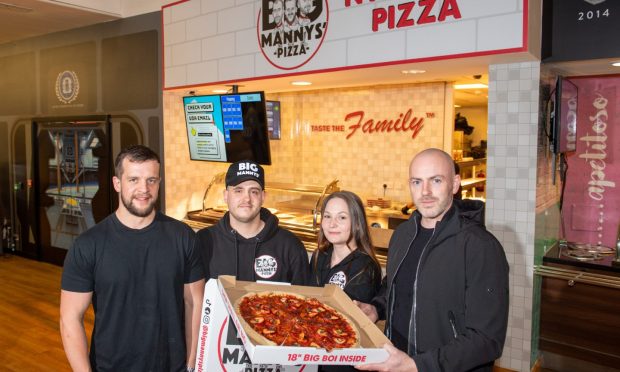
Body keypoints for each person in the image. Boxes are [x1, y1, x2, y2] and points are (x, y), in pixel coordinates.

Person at [356, 148, 509, 372]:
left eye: (436, 180)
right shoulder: (403, 234)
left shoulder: (480, 247)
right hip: (396, 362)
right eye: (417, 182)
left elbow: (487, 340)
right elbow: (398, 284)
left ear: (455, 184)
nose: (425, 192)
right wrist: (377, 308)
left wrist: (417, 365)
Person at [60, 145, 205, 372]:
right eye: (134, 180)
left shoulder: (183, 237)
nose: (143, 189)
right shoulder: (88, 245)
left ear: (158, 183)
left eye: (151, 180)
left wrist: (192, 363)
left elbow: (194, 303)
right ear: (117, 183)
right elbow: (70, 318)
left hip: (171, 366)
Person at [197, 160, 310, 284]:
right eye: (238, 190)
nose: (247, 198)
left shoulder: (290, 245)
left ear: (263, 197)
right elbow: (193, 297)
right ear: (226, 195)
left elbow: (304, 298)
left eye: (254, 192)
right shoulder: (204, 241)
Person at [310, 191, 382, 372]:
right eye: (327, 216)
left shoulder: (365, 266)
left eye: (342, 217)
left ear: (357, 223)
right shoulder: (320, 256)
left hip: (343, 362)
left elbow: (348, 325)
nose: (332, 224)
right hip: (313, 355)